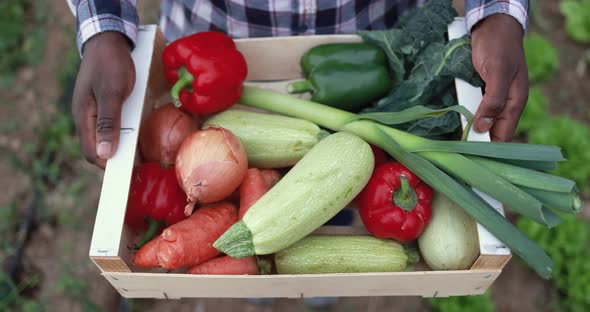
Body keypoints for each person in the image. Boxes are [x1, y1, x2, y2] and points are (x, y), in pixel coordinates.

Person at [67, 0, 530, 169]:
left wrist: (500, 9)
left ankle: (322, 281)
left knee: (338, 202)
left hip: (380, 29)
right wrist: (102, 24)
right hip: (210, 29)